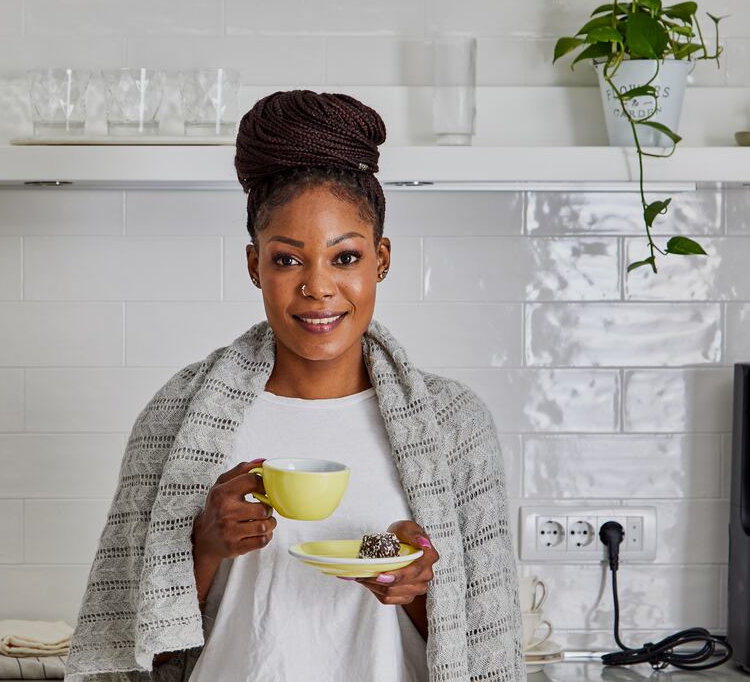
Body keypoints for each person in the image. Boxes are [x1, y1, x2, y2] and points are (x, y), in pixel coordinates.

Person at [64, 90, 524, 682]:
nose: (318, 287)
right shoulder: (180, 414)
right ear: (254, 264)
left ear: (380, 258)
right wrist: (203, 545)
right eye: (287, 261)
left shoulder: (453, 423)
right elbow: (129, 642)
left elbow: (481, 646)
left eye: (345, 258)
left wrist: (412, 583)